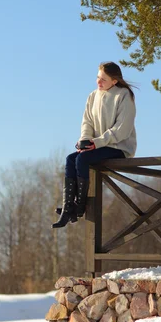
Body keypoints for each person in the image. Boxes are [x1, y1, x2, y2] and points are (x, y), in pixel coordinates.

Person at [52, 61, 137, 228]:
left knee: (82, 160)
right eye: (98, 77)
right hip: (97, 146)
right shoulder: (93, 96)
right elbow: (87, 123)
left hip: (119, 147)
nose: (99, 82)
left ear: (114, 81)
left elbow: (122, 130)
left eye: (103, 79)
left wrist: (97, 142)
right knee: (71, 158)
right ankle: (68, 208)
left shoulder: (124, 95)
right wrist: (84, 140)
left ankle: (80, 206)